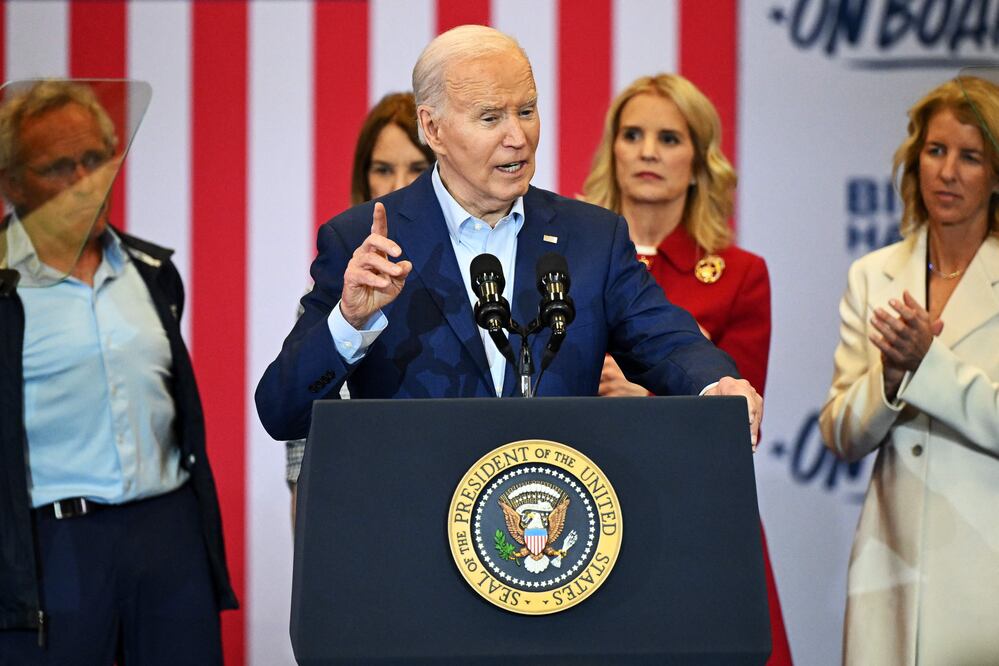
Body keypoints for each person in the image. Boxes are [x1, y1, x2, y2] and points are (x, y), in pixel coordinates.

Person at [255, 25, 763, 452]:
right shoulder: (360, 241)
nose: (517, 137)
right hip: (414, 544)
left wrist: (715, 383)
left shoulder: (592, 238)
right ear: (433, 130)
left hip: (553, 543)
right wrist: (350, 321)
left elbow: (665, 338)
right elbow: (282, 410)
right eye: (490, 118)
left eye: (526, 110)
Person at [0, 80, 237, 664]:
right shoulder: (5, 286)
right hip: (52, 544)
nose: (85, 180)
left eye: (95, 159)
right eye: (59, 166)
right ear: (13, 183)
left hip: (169, 531)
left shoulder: (151, 271)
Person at [581, 73, 792, 664]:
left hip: (694, 523)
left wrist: (644, 405)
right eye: (633, 135)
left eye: (669, 138)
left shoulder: (741, 274)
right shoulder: (559, 260)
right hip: (580, 510)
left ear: (700, 163)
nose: (648, 151)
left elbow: (737, 428)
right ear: (612, 150)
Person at [819, 76, 999, 664]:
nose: (947, 172)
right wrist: (892, 382)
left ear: (995, 175)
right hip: (888, 570)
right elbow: (840, 433)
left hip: (984, 577)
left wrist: (929, 363)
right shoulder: (874, 274)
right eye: (936, 150)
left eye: (970, 157)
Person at [286, 92, 434, 517]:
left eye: (416, 169)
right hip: (360, 503)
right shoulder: (338, 282)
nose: (396, 185)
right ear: (363, 176)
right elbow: (302, 450)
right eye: (382, 169)